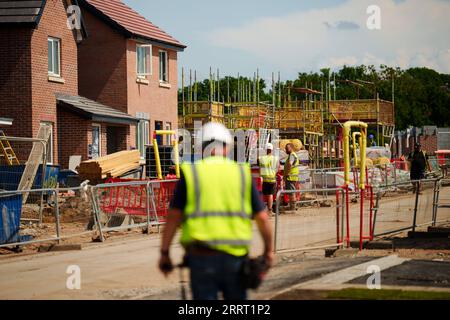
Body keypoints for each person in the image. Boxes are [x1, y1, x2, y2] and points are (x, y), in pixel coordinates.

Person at [158, 122, 274, 300]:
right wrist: (268, 251)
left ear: (200, 147)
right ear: (227, 147)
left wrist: (165, 253)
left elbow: (173, 217)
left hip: (201, 257)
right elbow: (262, 218)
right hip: (235, 258)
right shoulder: (242, 174)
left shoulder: (191, 174)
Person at [258, 143, 279, 215]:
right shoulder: (275, 159)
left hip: (264, 179)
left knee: (264, 195)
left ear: (266, 150)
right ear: (272, 150)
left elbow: (259, 165)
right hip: (272, 179)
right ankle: (270, 210)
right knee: (270, 195)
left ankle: (263, 210)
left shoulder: (261, 158)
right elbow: (278, 168)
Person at [283, 143, 299, 210]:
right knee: (291, 192)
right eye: (286, 148)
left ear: (291, 148)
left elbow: (290, 164)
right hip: (293, 176)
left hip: (290, 176)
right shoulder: (292, 155)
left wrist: (287, 173)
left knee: (291, 192)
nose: (286, 149)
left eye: (287, 148)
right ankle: (292, 206)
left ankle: (293, 207)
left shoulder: (292, 155)